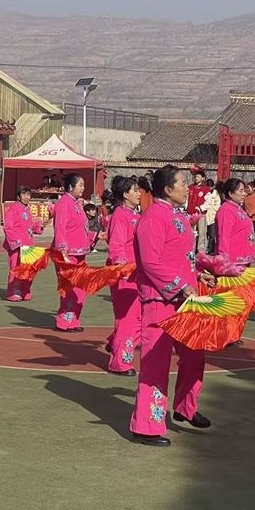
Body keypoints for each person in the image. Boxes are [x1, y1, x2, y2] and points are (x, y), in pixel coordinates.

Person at [130, 164, 216, 446]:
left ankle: (185, 407)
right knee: (156, 363)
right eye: (182, 183)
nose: (187, 188)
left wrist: (197, 274)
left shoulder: (176, 214)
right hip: (160, 300)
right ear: (167, 189)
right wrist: (180, 284)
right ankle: (147, 426)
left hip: (184, 298)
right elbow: (151, 262)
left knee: (195, 355)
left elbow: (178, 256)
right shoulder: (153, 217)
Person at [104, 175, 141, 376]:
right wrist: (122, 267)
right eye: (134, 190)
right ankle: (120, 362)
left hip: (137, 272)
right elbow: (116, 245)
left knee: (139, 316)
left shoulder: (135, 214)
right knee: (128, 318)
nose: (139, 193)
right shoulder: (120, 215)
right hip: (125, 272)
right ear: (125, 194)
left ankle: (115, 342)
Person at [52, 173, 92, 332]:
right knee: (69, 288)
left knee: (81, 287)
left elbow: (81, 227)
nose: (83, 188)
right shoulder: (63, 203)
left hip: (80, 253)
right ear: (70, 186)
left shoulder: (77, 204)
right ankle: (64, 321)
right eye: (80, 185)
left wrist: (96, 236)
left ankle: (73, 319)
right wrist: (63, 250)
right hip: (68, 254)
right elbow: (60, 227)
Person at [2, 186, 44, 301]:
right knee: (16, 269)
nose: (26, 197)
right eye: (24, 194)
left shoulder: (27, 209)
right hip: (17, 246)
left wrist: (39, 226)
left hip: (28, 245)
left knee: (28, 269)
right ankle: (13, 292)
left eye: (28, 194)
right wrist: (17, 242)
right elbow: (8, 227)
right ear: (18, 196)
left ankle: (25, 290)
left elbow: (29, 226)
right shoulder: (14, 208)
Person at [215, 178, 255, 264]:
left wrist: (253, 252)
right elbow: (223, 236)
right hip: (233, 262)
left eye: (244, 191)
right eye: (241, 191)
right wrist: (224, 259)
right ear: (231, 193)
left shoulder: (237, 208)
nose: (244, 194)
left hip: (243, 260)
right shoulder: (226, 210)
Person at [187, 170, 213, 254]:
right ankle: (191, 248)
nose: (196, 178)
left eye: (198, 177)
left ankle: (201, 250)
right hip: (191, 213)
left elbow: (209, 202)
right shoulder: (190, 187)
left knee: (202, 232)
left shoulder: (205, 189)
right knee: (191, 232)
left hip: (201, 214)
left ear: (202, 178)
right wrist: (185, 207)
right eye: (195, 176)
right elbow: (186, 198)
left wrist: (201, 208)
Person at [202, 185, 221, 255]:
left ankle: (211, 249)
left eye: (211, 186)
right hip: (205, 215)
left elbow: (218, 204)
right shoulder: (205, 193)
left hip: (213, 216)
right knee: (204, 234)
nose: (210, 188)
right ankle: (204, 249)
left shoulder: (216, 194)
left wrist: (213, 210)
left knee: (212, 234)